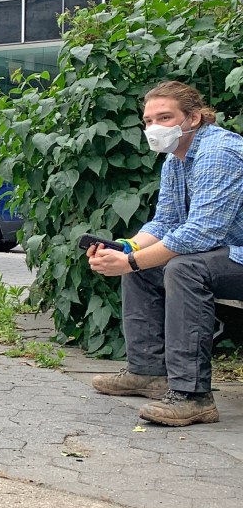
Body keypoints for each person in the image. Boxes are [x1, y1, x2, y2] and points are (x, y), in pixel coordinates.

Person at [89, 81, 243, 427]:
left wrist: (129, 262)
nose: (154, 127)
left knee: (184, 269)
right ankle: (148, 372)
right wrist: (125, 249)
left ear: (194, 118)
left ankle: (193, 396)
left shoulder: (218, 152)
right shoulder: (176, 159)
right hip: (228, 254)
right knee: (146, 267)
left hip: (236, 253)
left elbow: (202, 232)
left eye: (165, 117)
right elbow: (165, 222)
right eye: (148, 120)